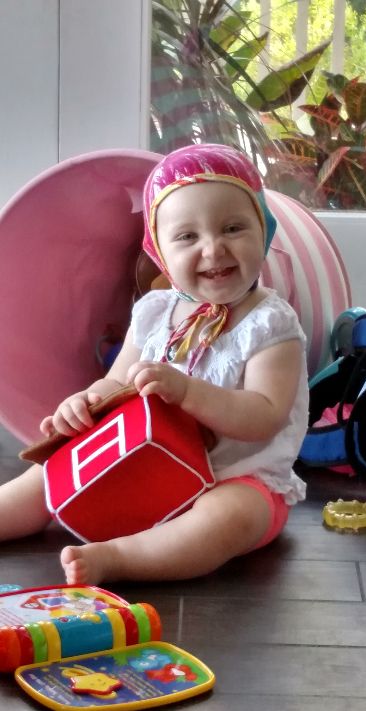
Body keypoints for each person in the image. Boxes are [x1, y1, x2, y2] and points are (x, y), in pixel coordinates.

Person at [0, 143, 309, 585]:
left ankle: (122, 558)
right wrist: (85, 403)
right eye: (187, 237)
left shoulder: (269, 324)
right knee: (52, 469)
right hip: (149, 463)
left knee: (231, 518)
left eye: (234, 227)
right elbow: (116, 382)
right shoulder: (156, 311)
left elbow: (264, 415)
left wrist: (188, 393)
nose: (213, 248)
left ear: (265, 229)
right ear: (159, 251)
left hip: (235, 476)